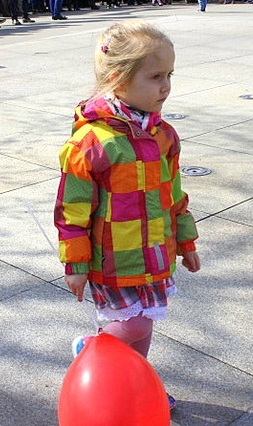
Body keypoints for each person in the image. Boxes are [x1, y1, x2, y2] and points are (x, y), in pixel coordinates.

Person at [55, 21, 201, 412]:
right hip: (113, 259)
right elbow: (72, 209)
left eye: (170, 75)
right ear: (118, 78)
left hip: (154, 253)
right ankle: (91, 353)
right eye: (156, 77)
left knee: (145, 327)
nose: (166, 86)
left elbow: (174, 195)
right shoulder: (92, 142)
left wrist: (185, 241)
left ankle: (136, 385)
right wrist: (76, 261)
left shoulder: (163, 136)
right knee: (132, 325)